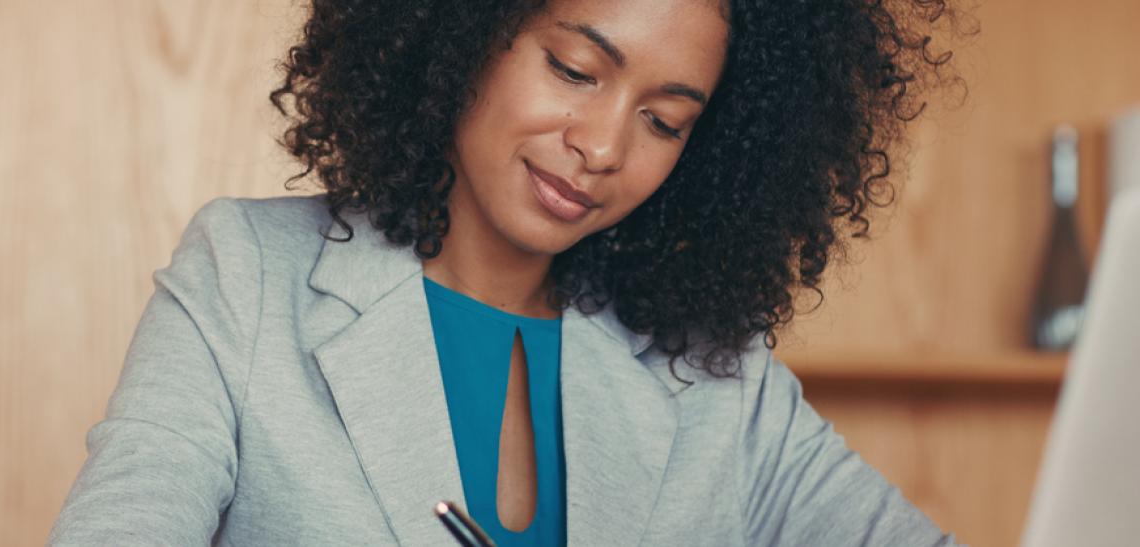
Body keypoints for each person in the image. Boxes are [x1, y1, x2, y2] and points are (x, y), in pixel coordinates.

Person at [49, 0, 962, 544]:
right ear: (468, 26)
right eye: (574, 69)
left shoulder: (719, 381)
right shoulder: (247, 278)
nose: (601, 147)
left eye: (665, 122)